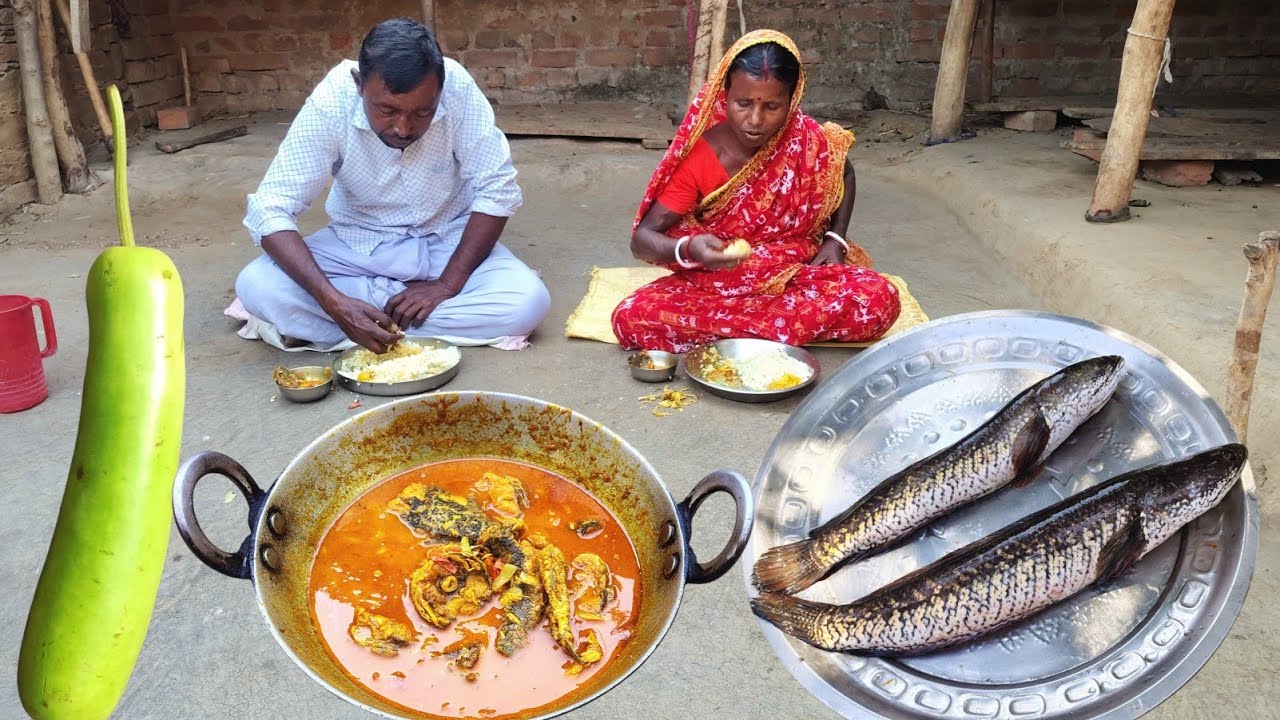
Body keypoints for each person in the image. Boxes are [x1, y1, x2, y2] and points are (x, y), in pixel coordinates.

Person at [233, 18, 549, 353]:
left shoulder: (457, 89)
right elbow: (271, 208)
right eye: (387, 109)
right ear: (359, 85)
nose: (403, 128)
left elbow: (497, 189)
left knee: (527, 302)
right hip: (358, 244)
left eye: (423, 112)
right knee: (256, 285)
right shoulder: (331, 102)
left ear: (440, 92)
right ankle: (375, 319)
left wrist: (445, 284)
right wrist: (335, 302)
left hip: (447, 241)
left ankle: (360, 324)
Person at [611, 29, 901, 353]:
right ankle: (782, 329)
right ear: (725, 95)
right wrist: (691, 249)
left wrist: (835, 240)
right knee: (631, 317)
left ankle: (736, 332)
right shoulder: (704, 157)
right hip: (717, 284)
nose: (755, 120)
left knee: (879, 299)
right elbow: (643, 241)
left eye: (772, 106)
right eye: (743, 103)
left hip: (794, 274)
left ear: (792, 100)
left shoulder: (806, 138)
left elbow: (844, 169)